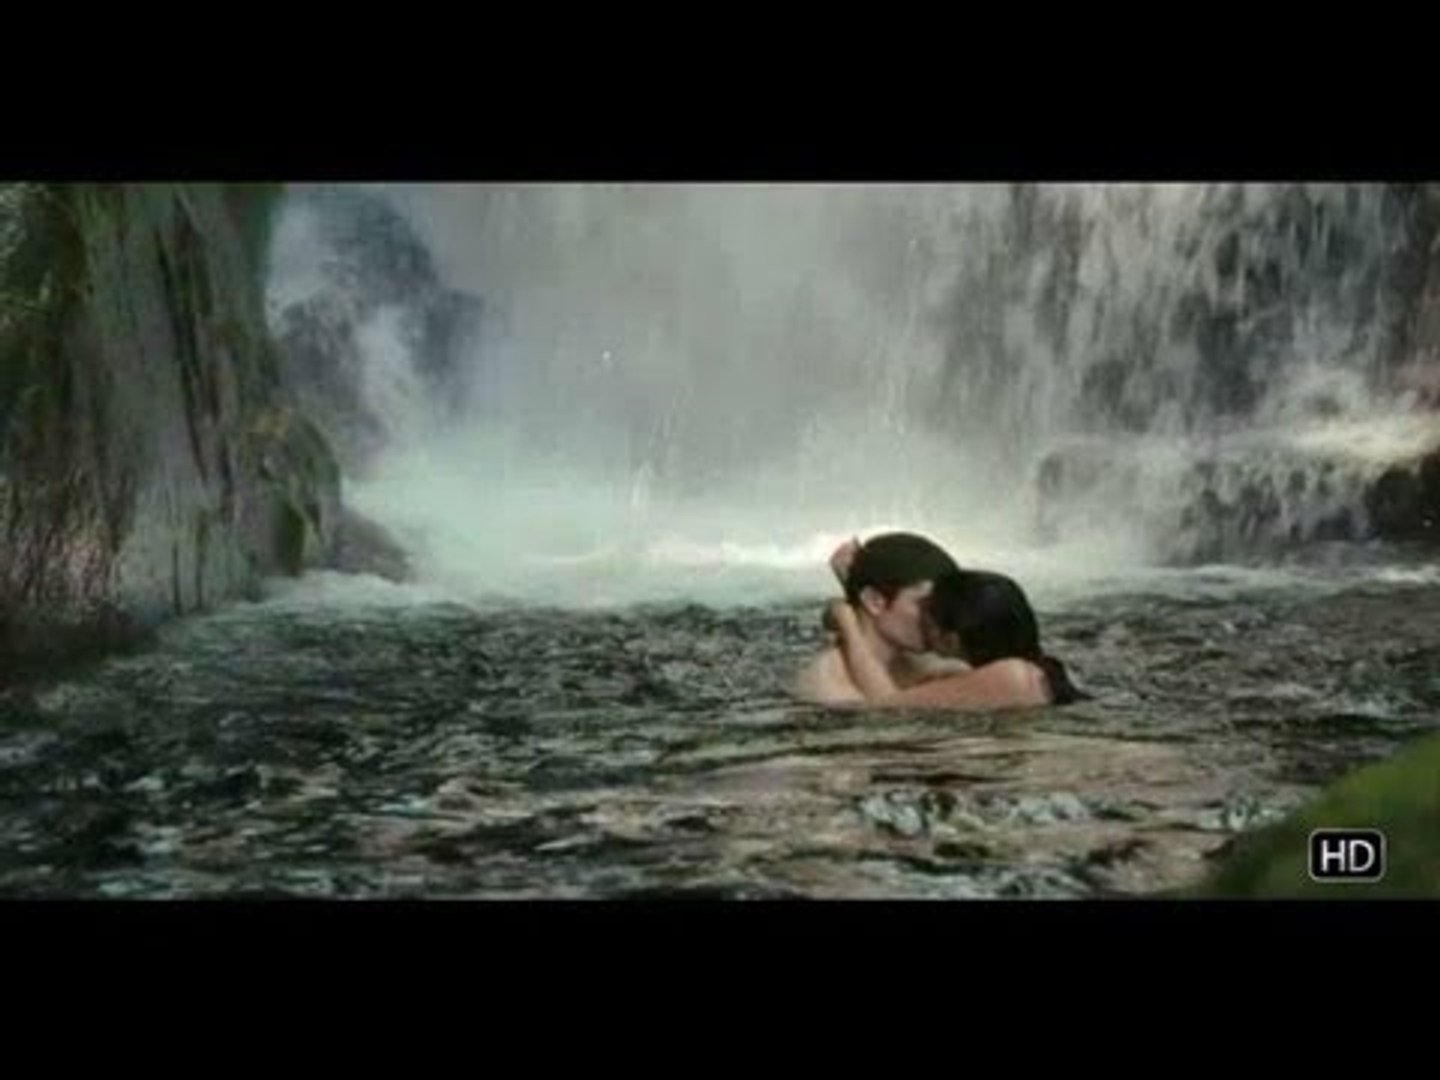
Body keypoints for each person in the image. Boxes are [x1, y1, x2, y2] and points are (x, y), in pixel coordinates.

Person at [825, 568, 1087, 710]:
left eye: (926, 614)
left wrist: (848, 624)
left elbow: (885, 707)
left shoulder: (1011, 676)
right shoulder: (1039, 668)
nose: (919, 621)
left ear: (951, 640)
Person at [792, 532, 970, 705]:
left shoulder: (939, 668)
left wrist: (849, 617)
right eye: (925, 605)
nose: (942, 616)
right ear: (874, 601)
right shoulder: (829, 690)